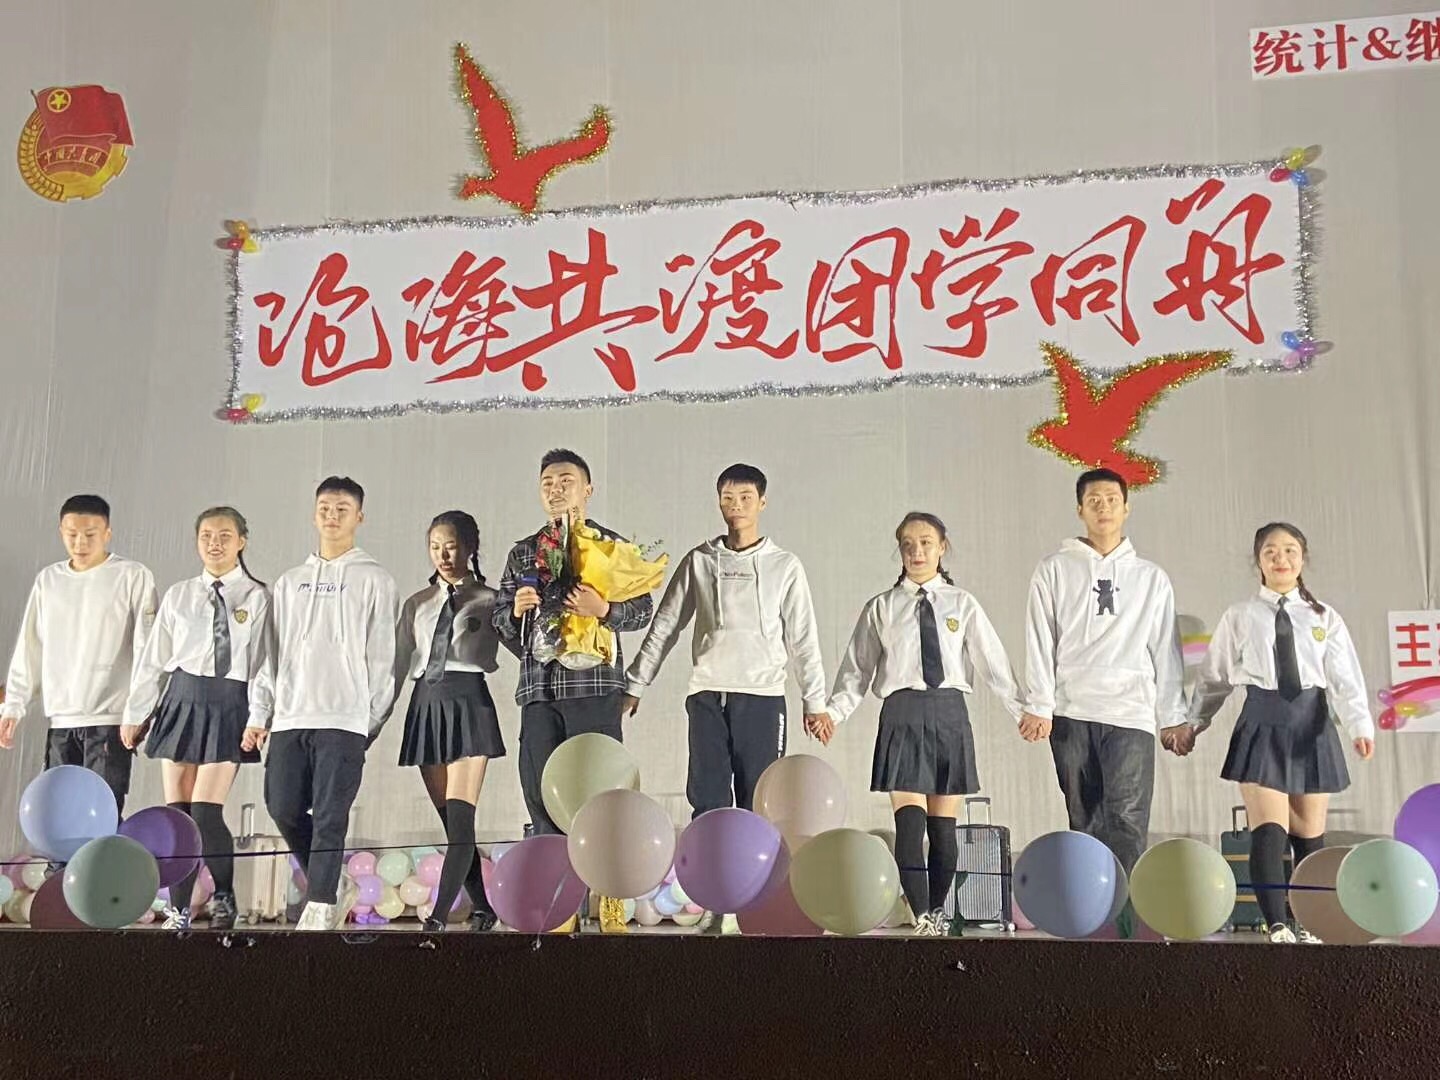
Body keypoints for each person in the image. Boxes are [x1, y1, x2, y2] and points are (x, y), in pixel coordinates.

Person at [624, 464, 830, 934]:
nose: (735, 506)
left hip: (762, 696)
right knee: (710, 801)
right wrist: (636, 684)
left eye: (745, 497)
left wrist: (814, 701)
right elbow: (666, 625)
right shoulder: (700, 560)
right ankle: (718, 902)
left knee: (760, 802)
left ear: (762, 502)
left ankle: (758, 905)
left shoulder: (784, 565)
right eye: (727, 497)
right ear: (718, 502)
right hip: (707, 694)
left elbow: (803, 638)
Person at [1167, 522, 1376, 944]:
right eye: (1271, 552)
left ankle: (1309, 922)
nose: (1281, 559)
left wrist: (1359, 725)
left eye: (1289, 550)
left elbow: (1345, 677)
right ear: (1258, 561)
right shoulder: (1240, 615)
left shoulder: (1323, 616)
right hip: (1262, 722)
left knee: (1308, 835)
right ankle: (1276, 924)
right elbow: (1215, 678)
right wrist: (1194, 723)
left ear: (1303, 558)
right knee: (1269, 828)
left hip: (1312, 725)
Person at [824, 512, 1029, 936]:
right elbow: (857, 669)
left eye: (926, 543)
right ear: (900, 550)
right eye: (908, 544)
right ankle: (920, 916)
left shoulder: (961, 603)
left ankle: (938, 913)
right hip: (902, 714)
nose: (917, 551)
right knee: (910, 824)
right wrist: (834, 712)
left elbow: (993, 662)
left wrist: (1022, 711)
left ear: (941, 547)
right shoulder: (882, 607)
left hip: (949, 714)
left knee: (943, 829)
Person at [494, 449, 654, 933]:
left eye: (566, 480)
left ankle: (610, 896)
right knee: (543, 793)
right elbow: (501, 624)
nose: (556, 489)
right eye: (548, 482)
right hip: (540, 692)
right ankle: (559, 901)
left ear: (588, 489)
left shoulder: (610, 546)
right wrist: (516, 611)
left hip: (594, 687)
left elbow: (642, 609)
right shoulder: (524, 552)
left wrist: (603, 609)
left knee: (602, 795)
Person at [1021, 468, 1184, 934]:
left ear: (1127, 507)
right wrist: (1040, 703)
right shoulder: (1054, 569)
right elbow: (1039, 638)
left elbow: (1166, 649)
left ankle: (1128, 926)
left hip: (1131, 713)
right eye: (1094, 499)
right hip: (1072, 711)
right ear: (1080, 509)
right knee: (1085, 819)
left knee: (1127, 820)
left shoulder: (1150, 578)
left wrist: (1172, 716)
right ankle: (1091, 923)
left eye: (1112, 499)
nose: (1104, 507)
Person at [123, 507, 274, 931]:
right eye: (206, 535)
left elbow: (265, 663)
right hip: (182, 702)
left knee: (207, 812)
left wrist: (259, 715)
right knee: (179, 815)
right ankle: (179, 909)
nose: (214, 543)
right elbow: (154, 661)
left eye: (224, 535)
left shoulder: (258, 597)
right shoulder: (180, 594)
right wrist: (136, 713)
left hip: (228, 704)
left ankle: (224, 896)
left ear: (242, 541)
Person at [262, 477, 400, 931]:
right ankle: (333, 882)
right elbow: (270, 652)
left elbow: (383, 655)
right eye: (324, 507)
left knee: (329, 814)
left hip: (344, 717)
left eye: (342, 508)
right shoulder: (289, 582)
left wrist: (370, 718)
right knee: (282, 807)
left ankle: (320, 903)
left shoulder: (375, 579)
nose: (332, 516)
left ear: (359, 517)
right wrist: (264, 711)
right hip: (291, 715)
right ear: (313, 514)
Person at [0, 495, 157, 817]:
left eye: (90, 534)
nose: (80, 543)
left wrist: (137, 711)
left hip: (109, 720)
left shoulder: (131, 575)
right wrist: (13, 705)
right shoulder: (49, 580)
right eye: (72, 534)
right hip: (62, 720)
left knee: (101, 814)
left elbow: (148, 649)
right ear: (61, 532)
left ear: (107, 533)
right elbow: (31, 647)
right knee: (61, 815)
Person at [394, 511, 503, 933]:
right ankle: (484, 908)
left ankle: (438, 916)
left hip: (468, 703)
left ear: (470, 548)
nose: (443, 555)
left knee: (460, 822)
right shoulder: (417, 603)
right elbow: (398, 665)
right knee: (453, 826)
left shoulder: (491, 599)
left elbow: (521, 646)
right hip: (426, 704)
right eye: (435, 546)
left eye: (452, 546)